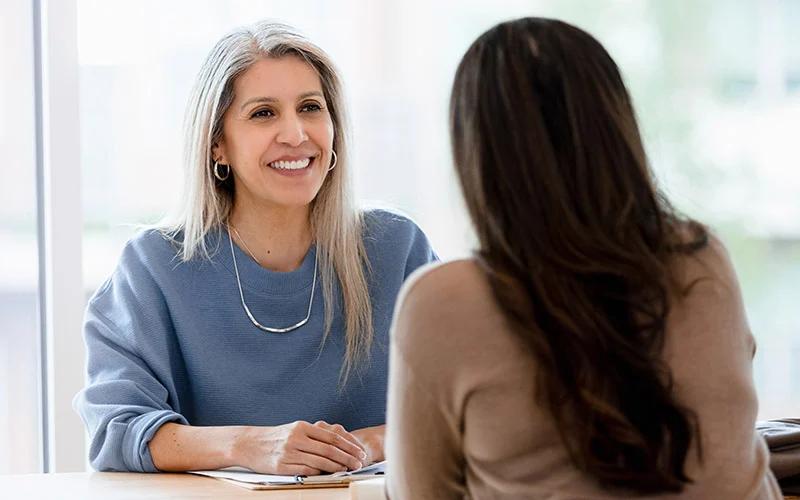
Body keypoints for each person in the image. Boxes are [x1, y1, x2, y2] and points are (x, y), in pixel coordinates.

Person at [385, 17, 781, 499]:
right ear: (618, 131)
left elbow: (418, 492)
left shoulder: (443, 300)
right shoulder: (702, 258)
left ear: (476, 150)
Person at [73, 21, 436, 475]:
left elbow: (476, 408)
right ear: (217, 145)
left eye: (310, 107)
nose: (296, 134)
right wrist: (248, 445)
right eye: (264, 113)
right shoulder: (154, 267)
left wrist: (367, 444)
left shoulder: (398, 248)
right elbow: (116, 429)